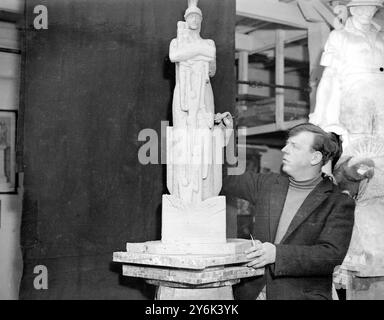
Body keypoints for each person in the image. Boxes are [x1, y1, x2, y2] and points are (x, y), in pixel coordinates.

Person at [217, 114, 355, 300]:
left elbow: (330, 255)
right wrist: (226, 140)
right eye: (287, 144)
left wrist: (277, 254)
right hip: (252, 293)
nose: (284, 149)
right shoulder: (268, 184)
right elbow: (227, 180)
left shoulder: (337, 202)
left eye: (294, 146)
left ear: (315, 158)